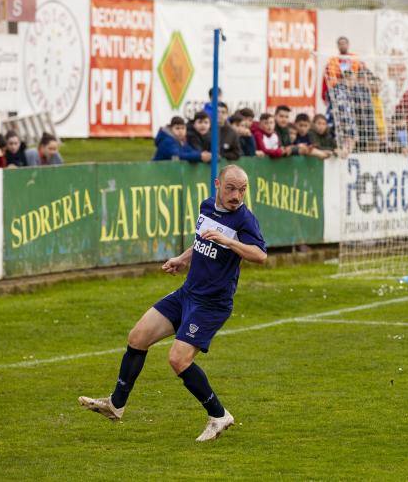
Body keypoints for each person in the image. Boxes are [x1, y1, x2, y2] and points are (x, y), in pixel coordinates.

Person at [79, 165, 267, 442]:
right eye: (231, 188)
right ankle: (115, 404)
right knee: (138, 337)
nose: (237, 195)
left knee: (178, 359)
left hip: (212, 303)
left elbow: (260, 255)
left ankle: (219, 416)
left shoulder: (244, 220)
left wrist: (229, 241)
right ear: (217, 184)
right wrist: (182, 259)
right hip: (187, 293)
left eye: (242, 189)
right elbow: (202, 242)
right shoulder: (206, 206)